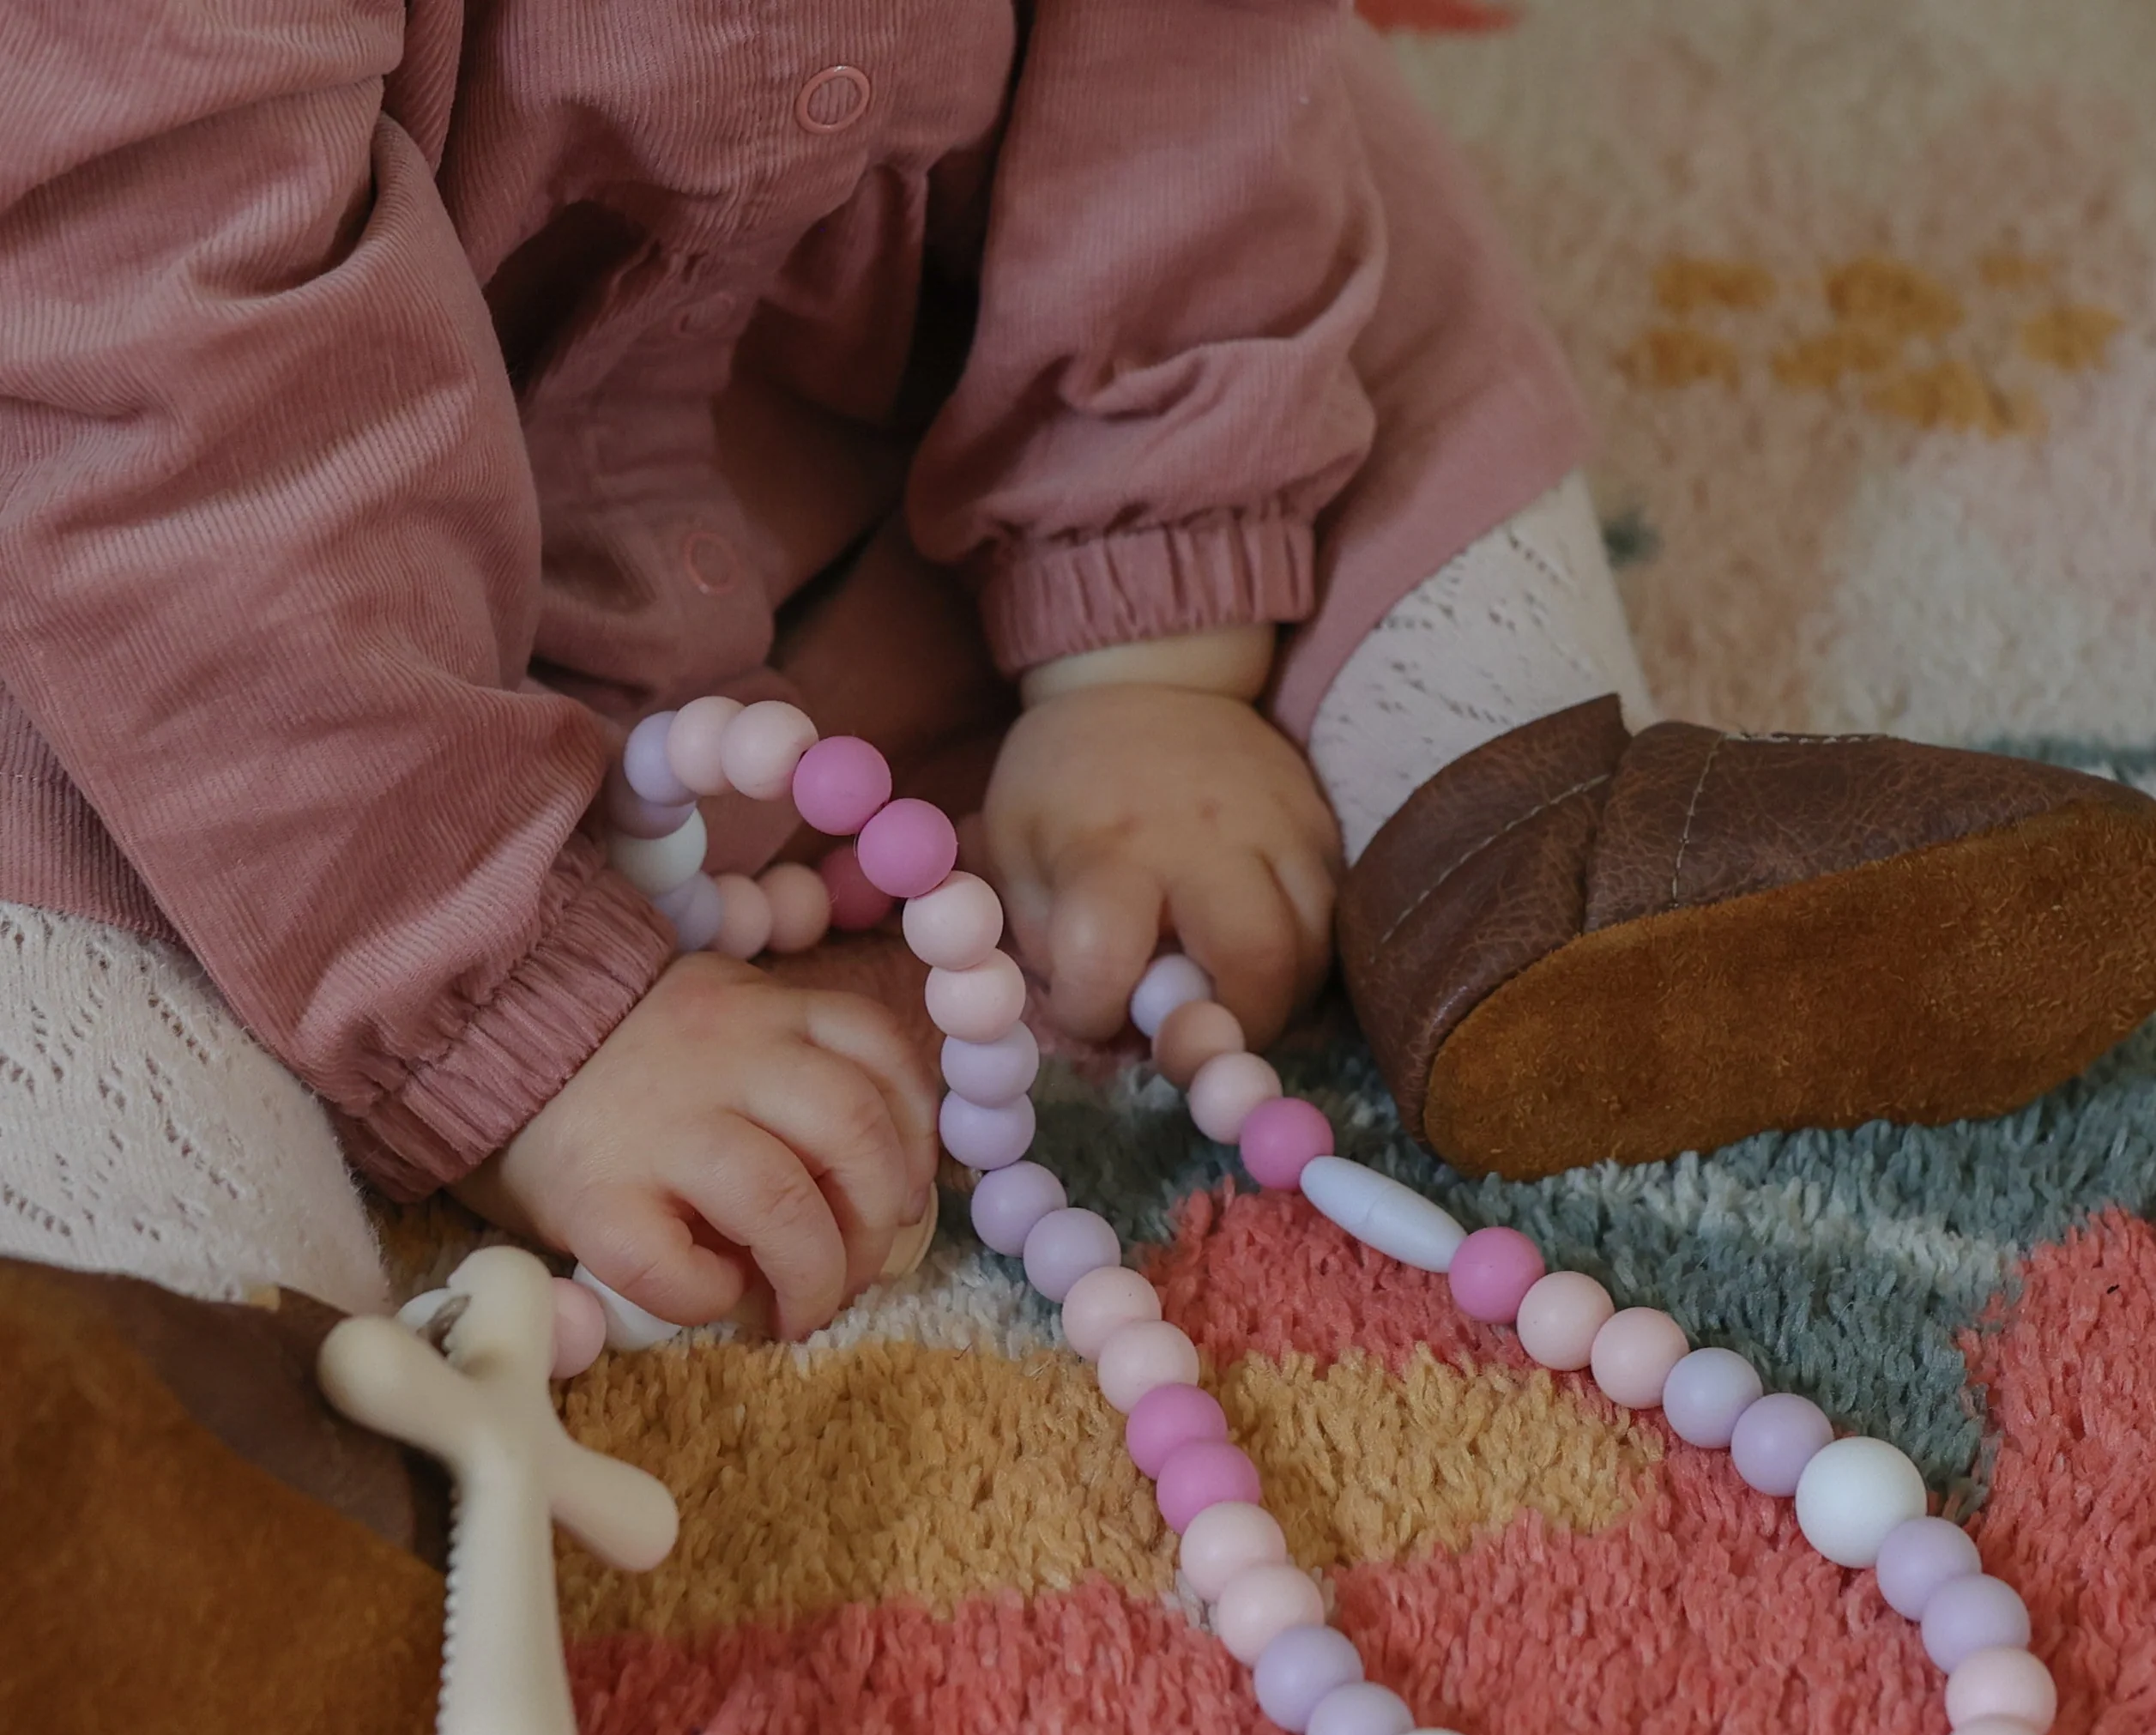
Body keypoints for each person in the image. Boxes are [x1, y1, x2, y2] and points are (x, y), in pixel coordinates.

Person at [6, 0, 2153, 1351]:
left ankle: (1500, 812)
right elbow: (165, 386)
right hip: (247, 573)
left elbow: (1189, 99)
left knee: (1355, 209)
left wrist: (1150, 642)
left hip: (896, 401)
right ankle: (137, 1334)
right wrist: (505, 1012)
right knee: (72, 737)